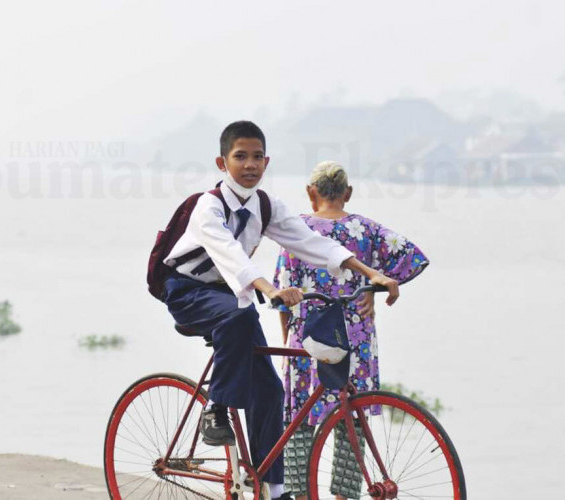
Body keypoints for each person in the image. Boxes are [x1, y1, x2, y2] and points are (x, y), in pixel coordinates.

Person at [161, 123, 400, 500]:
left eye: (257, 157)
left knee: (271, 392)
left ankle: (273, 489)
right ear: (222, 162)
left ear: (267, 161)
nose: (250, 164)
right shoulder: (209, 205)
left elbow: (310, 242)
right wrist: (270, 289)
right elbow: (231, 255)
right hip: (188, 291)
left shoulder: (265, 206)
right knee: (239, 317)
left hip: (230, 295)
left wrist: (370, 273)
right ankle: (214, 408)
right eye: (240, 156)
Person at [273, 161, 429, 500]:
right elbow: (411, 257)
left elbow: (284, 294)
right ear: (348, 193)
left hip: (308, 338)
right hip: (354, 338)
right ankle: (344, 497)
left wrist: (286, 337)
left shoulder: (298, 231)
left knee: (299, 421)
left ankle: (301, 496)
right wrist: (373, 288)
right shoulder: (367, 230)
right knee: (351, 419)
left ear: (310, 193)